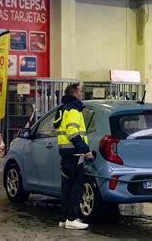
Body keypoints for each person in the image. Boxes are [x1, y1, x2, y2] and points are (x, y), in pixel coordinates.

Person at [54, 83, 94, 230]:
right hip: (75, 154)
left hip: (66, 154)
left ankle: (64, 219)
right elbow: (73, 134)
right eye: (80, 92)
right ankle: (72, 218)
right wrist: (86, 150)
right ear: (75, 94)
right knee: (76, 188)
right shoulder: (74, 110)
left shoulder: (63, 109)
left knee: (66, 189)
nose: (82, 94)